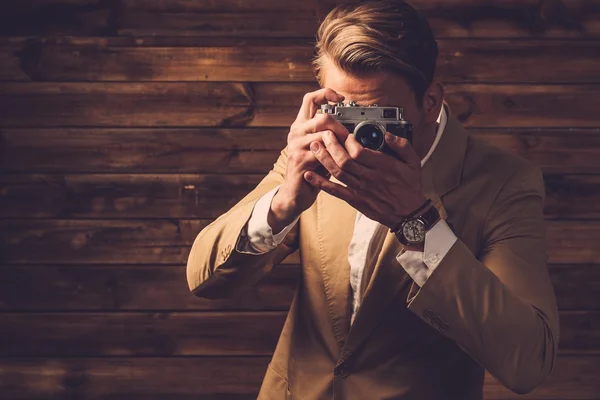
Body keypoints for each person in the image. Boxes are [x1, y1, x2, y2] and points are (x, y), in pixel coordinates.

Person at [186, 1, 559, 398]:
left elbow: (528, 361)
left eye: (377, 114)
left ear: (429, 102)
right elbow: (203, 280)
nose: (353, 131)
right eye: (339, 109)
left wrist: (417, 223)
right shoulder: (315, 148)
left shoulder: (503, 182)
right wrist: (283, 203)